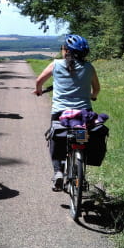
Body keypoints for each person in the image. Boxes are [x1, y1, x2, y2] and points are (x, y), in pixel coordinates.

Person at [33, 34, 100, 191]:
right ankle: (80, 167)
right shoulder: (89, 67)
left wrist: (38, 91)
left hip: (61, 113)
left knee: (56, 137)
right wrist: (92, 96)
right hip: (83, 112)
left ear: (66, 51)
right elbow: (96, 89)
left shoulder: (56, 64)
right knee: (81, 139)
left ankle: (58, 172)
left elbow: (39, 81)